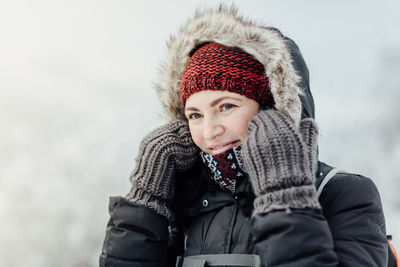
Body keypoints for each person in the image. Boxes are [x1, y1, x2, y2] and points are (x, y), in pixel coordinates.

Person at [99, 6, 388, 267]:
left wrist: (284, 194)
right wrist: (146, 199)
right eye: (195, 115)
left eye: (226, 106)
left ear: (271, 108)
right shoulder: (183, 201)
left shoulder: (342, 194)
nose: (210, 131)